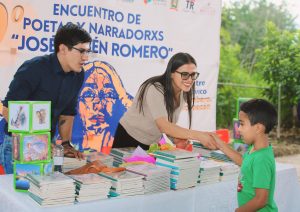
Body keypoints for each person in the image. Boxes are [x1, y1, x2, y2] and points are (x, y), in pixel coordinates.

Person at [0, 23, 91, 174]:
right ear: (62, 49)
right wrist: (35, 140)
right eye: (81, 51)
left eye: (88, 52)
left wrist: (66, 144)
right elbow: (7, 109)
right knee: (21, 193)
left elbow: (67, 113)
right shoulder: (34, 68)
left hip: (47, 144)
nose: (86, 57)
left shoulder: (78, 74)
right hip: (19, 143)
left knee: (42, 191)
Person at [112, 52, 217, 150]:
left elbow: (169, 123)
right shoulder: (154, 88)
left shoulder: (183, 93)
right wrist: (199, 135)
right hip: (127, 138)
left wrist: (175, 139)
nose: (190, 80)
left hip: (150, 143)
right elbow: (163, 126)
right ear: (171, 73)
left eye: (193, 75)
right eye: (184, 74)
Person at [211, 99, 278, 212]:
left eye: (241, 124)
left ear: (258, 128)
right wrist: (221, 144)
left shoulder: (262, 159)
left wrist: (239, 211)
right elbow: (244, 162)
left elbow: (261, 200)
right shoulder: (255, 149)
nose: (238, 129)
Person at [72, 60, 132, 152]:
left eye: (109, 95)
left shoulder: (123, 150)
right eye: (89, 94)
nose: (99, 106)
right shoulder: (63, 145)